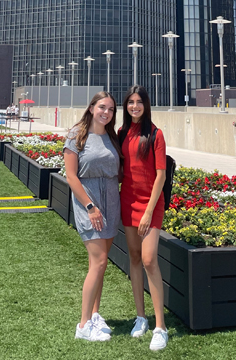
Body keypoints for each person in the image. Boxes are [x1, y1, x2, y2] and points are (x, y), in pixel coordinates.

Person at [63, 91, 122, 342]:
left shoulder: (111, 136)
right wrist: (90, 207)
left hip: (111, 201)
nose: (106, 112)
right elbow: (71, 175)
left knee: (100, 264)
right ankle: (83, 325)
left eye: (110, 109)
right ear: (91, 108)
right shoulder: (77, 134)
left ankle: (95, 315)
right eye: (101, 107)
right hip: (90, 204)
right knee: (97, 263)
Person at [119, 86, 169, 351]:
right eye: (130, 102)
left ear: (146, 105)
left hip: (150, 204)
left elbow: (160, 174)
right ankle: (141, 318)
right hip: (127, 200)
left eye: (139, 102)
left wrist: (149, 211)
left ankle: (160, 326)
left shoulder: (155, 134)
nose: (135, 106)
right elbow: (121, 169)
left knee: (149, 259)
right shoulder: (122, 133)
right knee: (135, 259)